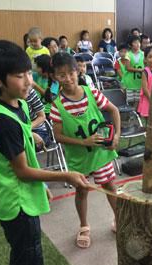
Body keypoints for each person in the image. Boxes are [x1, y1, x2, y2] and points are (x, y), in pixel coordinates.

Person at [0, 40, 87, 265]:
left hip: (22, 194)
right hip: (15, 202)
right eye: (20, 76)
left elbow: (22, 144)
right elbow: (23, 171)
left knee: (25, 256)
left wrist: (30, 134)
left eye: (29, 72)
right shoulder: (2, 121)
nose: (29, 80)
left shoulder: (20, 105)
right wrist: (66, 175)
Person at [49, 52, 121, 249]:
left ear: (78, 70)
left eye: (71, 73)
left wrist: (116, 136)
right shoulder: (56, 106)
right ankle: (84, 226)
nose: (68, 78)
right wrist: (84, 142)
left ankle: (119, 220)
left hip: (101, 154)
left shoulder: (92, 92)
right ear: (55, 77)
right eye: (61, 75)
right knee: (82, 191)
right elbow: (58, 136)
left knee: (110, 186)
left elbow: (114, 110)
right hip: (79, 158)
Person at [124, 35, 145, 104]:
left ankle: (135, 114)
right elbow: (128, 68)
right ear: (130, 44)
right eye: (135, 42)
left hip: (140, 82)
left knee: (138, 101)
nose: (138, 44)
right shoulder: (128, 54)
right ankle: (130, 114)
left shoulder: (143, 54)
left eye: (139, 42)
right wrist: (140, 70)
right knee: (130, 100)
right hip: (130, 82)